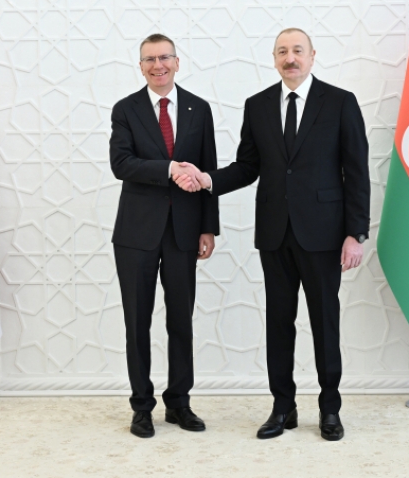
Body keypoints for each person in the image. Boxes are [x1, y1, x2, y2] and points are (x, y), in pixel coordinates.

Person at [173, 28, 370, 441]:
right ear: (274, 58)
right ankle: (283, 407)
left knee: (325, 322)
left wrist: (356, 233)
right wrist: (208, 179)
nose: (290, 58)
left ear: (312, 56)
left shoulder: (340, 102)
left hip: (324, 234)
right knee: (278, 323)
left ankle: (329, 409)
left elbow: (356, 171)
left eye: (297, 50)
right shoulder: (258, 104)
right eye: (282, 52)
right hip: (274, 233)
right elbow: (248, 166)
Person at [109, 34, 219, 438]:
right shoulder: (126, 109)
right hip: (136, 233)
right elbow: (121, 163)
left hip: (184, 231)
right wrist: (169, 169)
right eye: (150, 59)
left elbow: (208, 169)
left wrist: (208, 226)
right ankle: (142, 407)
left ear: (177, 62)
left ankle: (179, 403)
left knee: (180, 322)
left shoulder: (198, 108)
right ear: (140, 67)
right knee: (137, 323)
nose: (158, 65)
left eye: (164, 58)